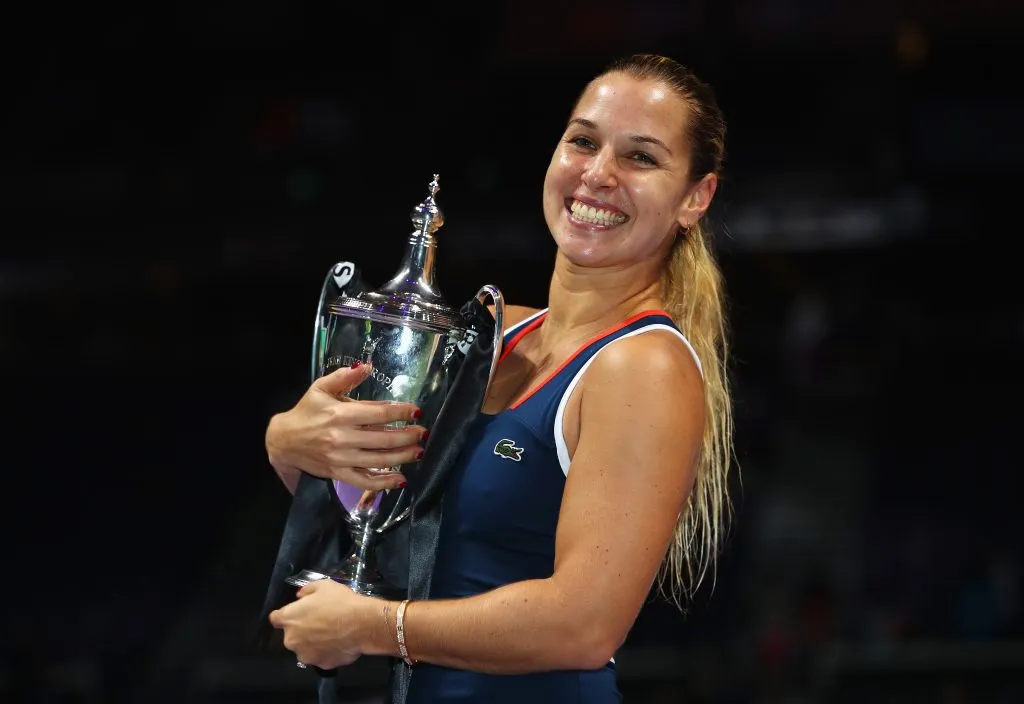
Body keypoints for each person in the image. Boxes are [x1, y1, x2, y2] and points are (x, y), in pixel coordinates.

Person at [265, 52, 736, 703]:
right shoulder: (492, 334)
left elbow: (583, 626)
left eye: (641, 157)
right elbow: (376, 515)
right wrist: (292, 444)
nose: (598, 174)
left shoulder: (642, 365)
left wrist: (376, 627)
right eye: (583, 141)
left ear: (695, 198)